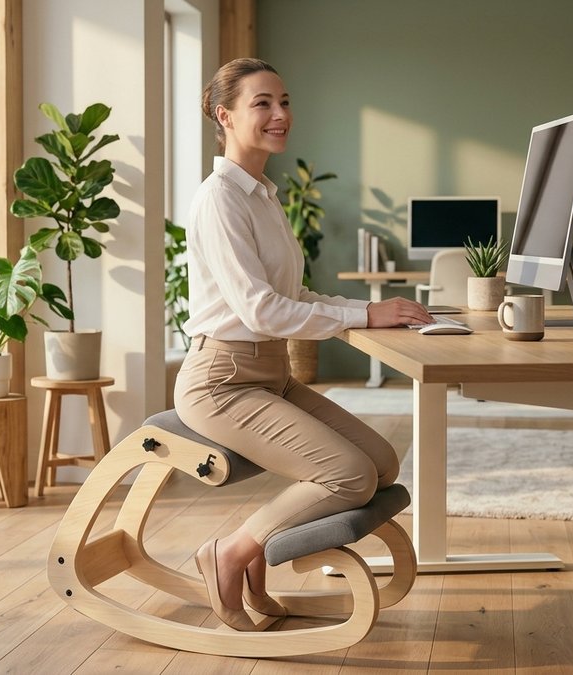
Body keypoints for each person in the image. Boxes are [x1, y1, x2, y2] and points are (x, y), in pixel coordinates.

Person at [174, 58, 433, 631]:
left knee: (383, 463)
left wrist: (373, 314)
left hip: (270, 373)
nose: (280, 114)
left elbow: (294, 292)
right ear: (226, 115)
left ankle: (251, 558)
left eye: (284, 101)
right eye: (262, 103)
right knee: (349, 475)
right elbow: (260, 309)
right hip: (222, 379)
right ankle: (233, 553)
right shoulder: (220, 198)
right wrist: (362, 312)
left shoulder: (263, 193)